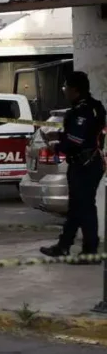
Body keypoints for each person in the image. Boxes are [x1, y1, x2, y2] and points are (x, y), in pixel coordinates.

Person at [40, 71, 106, 261]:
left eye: (66, 88)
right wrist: (58, 136)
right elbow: (84, 136)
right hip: (88, 162)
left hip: (85, 164)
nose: (64, 92)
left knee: (84, 208)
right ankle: (64, 245)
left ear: (75, 90)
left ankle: (90, 251)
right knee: (78, 207)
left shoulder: (82, 111)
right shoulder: (93, 106)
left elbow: (75, 141)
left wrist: (56, 145)